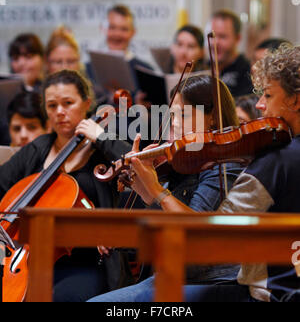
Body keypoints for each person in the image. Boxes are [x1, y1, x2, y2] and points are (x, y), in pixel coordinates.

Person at [94, 43, 300, 302]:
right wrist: (147, 191)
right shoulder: (270, 156)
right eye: (172, 115)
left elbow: (204, 241)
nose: (259, 105)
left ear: (296, 99)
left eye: (268, 96)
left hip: (238, 284)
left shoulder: (272, 161)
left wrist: (156, 191)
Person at [88, 74, 244, 302]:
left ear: (213, 117)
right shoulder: (184, 161)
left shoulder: (226, 165)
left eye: (184, 114)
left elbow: (192, 231)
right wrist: (142, 187)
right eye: (173, 116)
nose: (176, 123)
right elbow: (164, 219)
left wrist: (156, 189)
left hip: (213, 281)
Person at [0, 69, 134, 302]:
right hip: (28, 258)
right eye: (52, 106)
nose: (60, 112)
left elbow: (136, 163)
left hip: (86, 261)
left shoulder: (101, 152)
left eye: (68, 103)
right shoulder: (38, 148)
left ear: (87, 104)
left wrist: (101, 137)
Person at [210, 9, 252, 97]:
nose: (215, 42)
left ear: (237, 38)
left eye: (222, 36)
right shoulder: (202, 67)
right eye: (212, 36)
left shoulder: (247, 72)